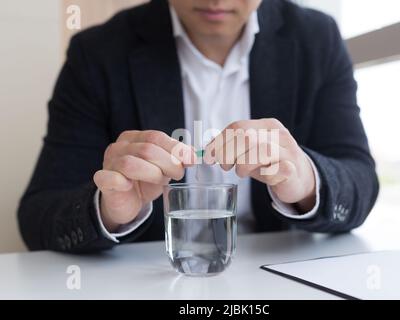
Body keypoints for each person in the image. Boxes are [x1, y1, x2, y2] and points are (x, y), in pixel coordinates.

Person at [18, 0, 379, 253]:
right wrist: (108, 211)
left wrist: (307, 182)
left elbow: (360, 180)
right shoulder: (97, 52)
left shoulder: (317, 38)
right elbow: (38, 217)